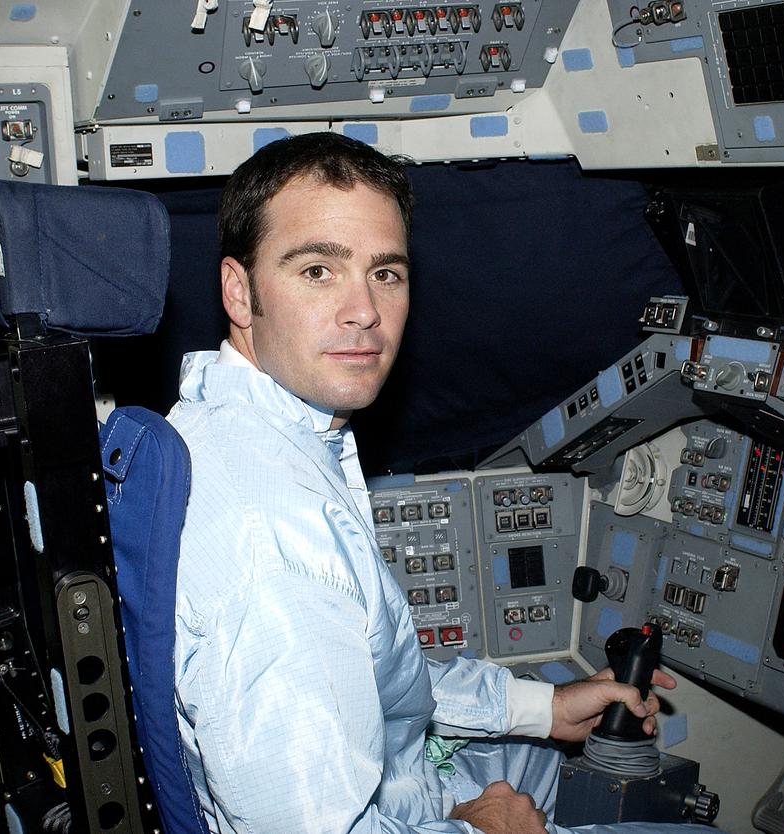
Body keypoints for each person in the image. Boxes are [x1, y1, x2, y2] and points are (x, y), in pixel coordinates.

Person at [169, 132, 702, 833]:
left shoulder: (240, 427)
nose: (364, 310)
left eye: (385, 273)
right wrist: (484, 831)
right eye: (318, 271)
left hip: (404, 773)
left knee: (552, 741)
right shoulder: (278, 549)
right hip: (396, 811)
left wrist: (541, 709)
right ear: (239, 291)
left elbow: (369, 678)